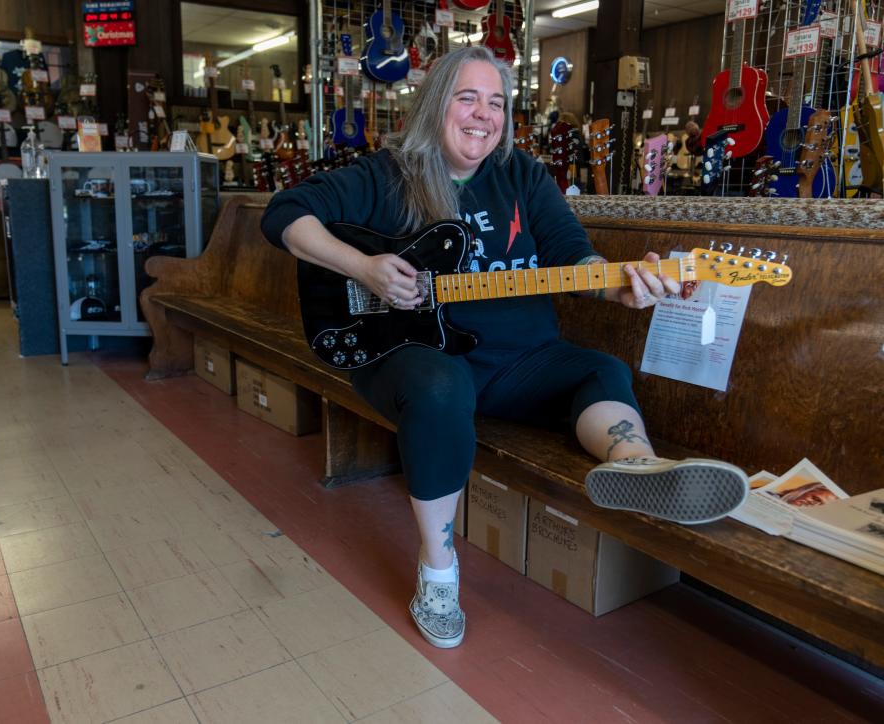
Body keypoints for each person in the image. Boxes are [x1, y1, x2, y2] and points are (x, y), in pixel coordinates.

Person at [260, 46, 749, 649]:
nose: (483, 114)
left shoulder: (523, 175)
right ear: (437, 102)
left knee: (600, 369)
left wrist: (619, 283)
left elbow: (574, 253)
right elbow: (287, 213)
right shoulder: (387, 174)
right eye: (468, 97)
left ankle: (638, 470)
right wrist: (362, 267)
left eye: (496, 102)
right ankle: (438, 573)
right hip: (411, 357)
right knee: (443, 390)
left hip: (520, 361)